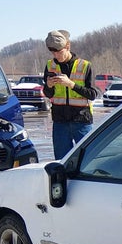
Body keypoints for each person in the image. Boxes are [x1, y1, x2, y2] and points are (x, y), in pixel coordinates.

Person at [42, 30, 99, 159]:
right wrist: (49, 86)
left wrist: (71, 84)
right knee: (62, 162)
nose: (56, 55)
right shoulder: (50, 66)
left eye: (59, 51)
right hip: (60, 121)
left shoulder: (84, 66)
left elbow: (93, 94)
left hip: (81, 121)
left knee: (87, 159)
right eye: (52, 52)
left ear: (68, 46)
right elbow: (48, 94)